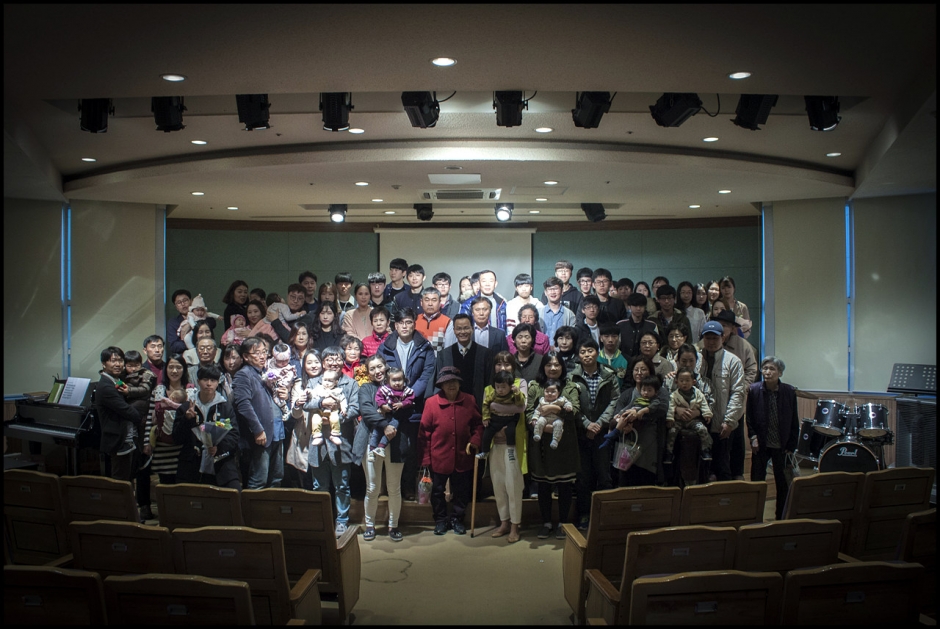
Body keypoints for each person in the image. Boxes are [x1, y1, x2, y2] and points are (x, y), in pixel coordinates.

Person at [377, 307, 436, 500]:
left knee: (411, 449)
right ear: (395, 325)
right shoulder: (385, 346)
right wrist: (391, 396)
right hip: (390, 406)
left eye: (409, 322)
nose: (405, 326)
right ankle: (391, 488)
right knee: (393, 448)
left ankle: (408, 487)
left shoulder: (424, 347)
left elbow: (427, 374)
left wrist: (410, 394)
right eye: (401, 323)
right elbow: (379, 372)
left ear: (414, 324)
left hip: (413, 406)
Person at [303, 345, 361, 537]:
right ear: (323, 362)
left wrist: (338, 417)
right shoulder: (314, 382)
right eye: (329, 359)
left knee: (342, 485)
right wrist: (321, 403)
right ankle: (322, 520)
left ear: (343, 361)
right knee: (319, 486)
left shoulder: (350, 383)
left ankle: (342, 521)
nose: (334, 362)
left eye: (337, 359)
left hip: (340, 442)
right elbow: (306, 404)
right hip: (318, 442)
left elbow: (355, 408)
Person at [419, 367, 484, 535]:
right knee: (437, 491)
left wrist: (475, 440)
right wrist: (426, 458)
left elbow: (478, 425)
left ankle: (457, 519)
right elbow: (424, 433)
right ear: (441, 385)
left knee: (461, 491)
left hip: (463, 457)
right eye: (447, 382)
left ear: (459, 383)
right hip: (439, 457)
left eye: (454, 381)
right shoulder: (431, 403)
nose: (451, 385)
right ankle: (440, 520)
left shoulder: (469, 400)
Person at [526, 351, 581, 539]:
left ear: (562, 367)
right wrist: (541, 426)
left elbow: (575, 411)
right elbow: (528, 413)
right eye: (549, 364)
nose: (553, 368)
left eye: (557, 364)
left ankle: (563, 523)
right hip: (541, 442)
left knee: (565, 486)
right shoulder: (535, 386)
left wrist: (552, 408)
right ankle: (546, 523)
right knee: (543, 486)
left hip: (564, 443)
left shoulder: (570, 386)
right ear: (543, 367)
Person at [570, 339, 620, 530]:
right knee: (583, 477)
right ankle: (584, 515)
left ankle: (605, 516)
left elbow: (615, 400)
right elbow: (570, 402)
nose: (587, 355)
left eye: (590, 351)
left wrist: (599, 424)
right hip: (581, 433)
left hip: (602, 433)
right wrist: (586, 424)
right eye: (583, 352)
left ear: (597, 353)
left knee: (604, 475)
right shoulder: (572, 376)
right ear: (578, 355)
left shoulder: (609, 374)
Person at [358, 354, 407, 541]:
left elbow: (406, 408)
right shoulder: (365, 388)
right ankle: (370, 525)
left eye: (379, 366)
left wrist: (391, 420)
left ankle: (393, 525)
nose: (377, 371)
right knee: (372, 487)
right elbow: (367, 411)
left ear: (386, 366)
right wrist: (385, 425)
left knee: (394, 487)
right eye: (372, 368)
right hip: (370, 441)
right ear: (368, 372)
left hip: (396, 441)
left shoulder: (398, 384)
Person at [746, 356, 800, 520]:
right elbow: (750, 418)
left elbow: (794, 420)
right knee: (757, 482)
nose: (767, 372)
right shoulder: (754, 390)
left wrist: (791, 445)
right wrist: (753, 437)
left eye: (772, 369)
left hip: (781, 445)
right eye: (765, 368)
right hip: (761, 443)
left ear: (780, 373)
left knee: (783, 484)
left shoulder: (789, 392)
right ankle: (754, 518)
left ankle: (780, 518)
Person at [171, 364, 240, 489]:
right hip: (191, 464)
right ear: (198, 382)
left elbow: (233, 435)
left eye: (213, 380)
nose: (209, 384)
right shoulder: (186, 407)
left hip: (221, 464)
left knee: (235, 493)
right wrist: (186, 419)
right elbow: (176, 438)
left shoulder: (224, 407)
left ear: (217, 383)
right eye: (205, 380)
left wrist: (218, 448)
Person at [709, 310, 758, 480]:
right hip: (714, 400)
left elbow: (752, 369)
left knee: (736, 438)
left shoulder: (743, 345)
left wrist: (744, 386)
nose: (722, 328)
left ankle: (737, 472)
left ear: (732, 328)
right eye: (720, 325)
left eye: (725, 326)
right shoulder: (705, 343)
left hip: (737, 396)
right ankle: (713, 472)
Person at [484, 353, 528, 543]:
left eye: (507, 364)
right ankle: (504, 522)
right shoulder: (489, 388)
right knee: (498, 484)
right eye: (499, 364)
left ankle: (515, 526)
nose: (503, 367)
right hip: (495, 444)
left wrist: (496, 409)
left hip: (513, 443)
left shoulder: (520, 384)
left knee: (514, 485)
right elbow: (485, 411)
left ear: (513, 367)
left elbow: (521, 408)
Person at [233, 337, 286, 489]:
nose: (262, 356)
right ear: (245, 356)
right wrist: (257, 430)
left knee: (276, 478)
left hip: (276, 431)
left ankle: (272, 505)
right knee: (259, 480)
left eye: (264, 352)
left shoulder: (265, 373)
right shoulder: (243, 374)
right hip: (261, 434)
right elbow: (243, 405)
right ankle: (252, 506)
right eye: (257, 353)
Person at [698, 321, 746, 482]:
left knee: (723, 468)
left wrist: (729, 421)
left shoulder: (733, 361)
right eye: (708, 338)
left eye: (715, 338)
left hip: (722, 423)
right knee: (704, 469)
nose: (711, 342)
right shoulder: (696, 359)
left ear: (723, 338)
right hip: (700, 422)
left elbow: (738, 393)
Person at [611, 357, 669, 487]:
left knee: (647, 483)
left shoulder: (660, 391)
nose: (639, 372)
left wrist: (638, 415)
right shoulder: (627, 394)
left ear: (650, 371)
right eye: (636, 369)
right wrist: (625, 422)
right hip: (628, 444)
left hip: (650, 444)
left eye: (643, 369)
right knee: (627, 483)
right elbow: (616, 416)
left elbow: (662, 409)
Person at [146, 353, 195, 489]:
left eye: (178, 367)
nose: (174, 371)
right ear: (165, 369)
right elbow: (150, 418)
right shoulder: (159, 390)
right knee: (166, 489)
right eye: (171, 367)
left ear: (184, 369)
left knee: (184, 489)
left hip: (184, 449)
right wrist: (147, 442)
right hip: (163, 450)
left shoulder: (191, 390)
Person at [95, 347, 142, 482]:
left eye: (120, 361)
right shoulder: (106, 386)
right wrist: (140, 417)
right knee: (120, 480)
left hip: (126, 437)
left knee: (128, 477)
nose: (118, 364)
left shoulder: (116, 380)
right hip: (118, 440)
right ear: (104, 364)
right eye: (113, 361)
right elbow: (125, 410)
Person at [284, 348, 322, 489]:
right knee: (306, 479)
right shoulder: (299, 385)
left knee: (323, 479)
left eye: (316, 362)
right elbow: (295, 415)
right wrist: (297, 405)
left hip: (322, 433)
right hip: (303, 435)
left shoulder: (328, 382)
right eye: (309, 362)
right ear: (304, 365)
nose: (313, 366)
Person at [434, 313, 490, 406]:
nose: (463, 332)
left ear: (472, 329)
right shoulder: (443, 355)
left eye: (466, 328)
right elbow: (439, 383)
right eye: (459, 329)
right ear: (454, 330)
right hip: (451, 406)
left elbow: (489, 384)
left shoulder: (485, 354)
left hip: (478, 406)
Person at [599, 374, 663, 450]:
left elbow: (652, 407)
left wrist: (640, 411)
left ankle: (612, 435)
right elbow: (628, 406)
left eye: (649, 390)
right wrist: (619, 414)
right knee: (613, 422)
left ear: (656, 392)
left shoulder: (655, 400)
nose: (646, 392)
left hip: (638, 422)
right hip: (628, 418)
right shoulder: (638, 399)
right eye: (644, 390)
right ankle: (609, 438)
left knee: (623, 421)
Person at [665, 367, 713, 462]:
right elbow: (670, 406)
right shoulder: (674, 395)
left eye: (687, 380)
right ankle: (669, 452)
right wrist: (670, 418)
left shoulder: (698, 393)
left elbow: (704, 403)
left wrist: (707, 413)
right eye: (681, 380)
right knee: (672, 432)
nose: (684, 383)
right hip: (679, 420)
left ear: (693, 382)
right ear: (676, 382)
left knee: (702, 429)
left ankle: (705, 449)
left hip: (693, 420)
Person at [477, 371, 525, 460]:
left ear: (510, 386)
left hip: (510, 419)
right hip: (496, 418)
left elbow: (520, 403)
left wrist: (517, 393)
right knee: (487, 433)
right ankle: (485, 452)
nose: (500, 390)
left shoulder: (513, 394)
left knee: (511, 432)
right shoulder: (493, 394)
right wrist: (486, 417)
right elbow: (485, 404)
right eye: (497, 387)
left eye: (503, 387)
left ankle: (511, 450)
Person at [117, 350, 155, 457]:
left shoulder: (146, 374)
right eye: (130, 366)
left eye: (136, 365)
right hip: (131, 401)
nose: (133, 369)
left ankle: (129, 437)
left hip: (142, 402)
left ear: (141, 364)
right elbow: (117, 382)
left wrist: (128, 391)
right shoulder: (123, 374)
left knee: (127, 411)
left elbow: (145, 389)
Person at [371, 367, 414, 459]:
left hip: (396, 416)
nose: (397, 383)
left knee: (392, 429)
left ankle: (381, 446)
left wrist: (402, 404)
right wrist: (383, 405)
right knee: (377, 431)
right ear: (388, 381)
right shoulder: (384, 389)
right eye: (394, 380)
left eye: (400, 380)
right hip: (384, 414)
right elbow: (378, 398)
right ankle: (371, 449)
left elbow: (410, 400)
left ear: (404, 380)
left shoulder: (406, 391)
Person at [308, 369, 347, 446]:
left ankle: (335, 434)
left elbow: (342, 399)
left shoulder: (337, 391)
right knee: (315, 419)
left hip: (332, 411)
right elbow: (312, 395)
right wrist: (309, 393)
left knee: (335, 419)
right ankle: (317, 436)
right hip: (319, 411)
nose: (327, 383)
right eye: (325, 380)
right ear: (322, 379)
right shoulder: (318, 389)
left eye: (330, 381)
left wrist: (343, 408)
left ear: (336, 382)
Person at [531, 379, 573, 450]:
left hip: (556, 418)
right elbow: (537, 410)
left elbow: (567, 403)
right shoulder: (542, 401)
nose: (550, 393)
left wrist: (568, 406)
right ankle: (537, 434)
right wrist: (534, 418)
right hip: (545, 417)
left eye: (553, 392)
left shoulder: (561, 400)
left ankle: (555, 440)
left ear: (558, 392)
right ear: (544, 391)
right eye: (547, 391)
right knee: (540, 421)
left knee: (559, 424)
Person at [616, 292, 658, 358]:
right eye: (635, 306)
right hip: (624, 361)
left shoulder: (652, 325)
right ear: (629, 306)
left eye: (641, 306)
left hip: (647, 361)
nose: (638, 308)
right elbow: (616, 347)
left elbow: (656, 346)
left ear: (645, 307)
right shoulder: (620, 325)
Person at [264, 343, 298, 420]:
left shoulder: (289, 369)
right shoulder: (268, 363)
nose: (283, 363)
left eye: (286, 360)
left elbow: (288, 381)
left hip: (281, 389)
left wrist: (280, 379)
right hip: (267, 389)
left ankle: (286, 411)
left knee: (279, 399)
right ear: (274, 358)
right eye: (279, 361)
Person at [415, 286, 452, 355]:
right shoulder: (415, 320)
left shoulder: (448, 322)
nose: (430, 304)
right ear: (421, 302)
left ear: (440, 303)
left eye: (434, 300)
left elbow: (449, 350)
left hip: (438, 360)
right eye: (427, 300)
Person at [167, 289, 193, 354]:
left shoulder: (200, 316)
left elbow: (212, 322)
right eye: (179, 302)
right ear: (176, 307)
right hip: (184, 356)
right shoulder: (173, 322)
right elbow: (174, 346)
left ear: (191, 301)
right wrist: (192, 341)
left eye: (185, 300)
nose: (183, 304)